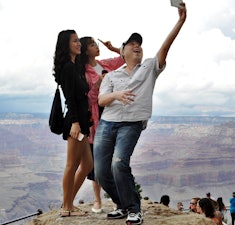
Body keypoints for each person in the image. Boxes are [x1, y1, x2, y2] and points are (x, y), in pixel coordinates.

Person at [93, 2, 187, 224]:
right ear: (123, 51)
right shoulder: (113, 76)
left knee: (118, 163)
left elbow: (166, 46)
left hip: (131, 124)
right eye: (132, 44)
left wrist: (180, 21)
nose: (137, 46)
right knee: (100, 171)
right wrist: (117, 95)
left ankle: (134, 208)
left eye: (140, 45)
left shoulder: (149, 68)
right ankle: (121, 205)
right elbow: (101, 100)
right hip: (107, 123)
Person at [79, 36, 124, 213]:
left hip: (111, 115)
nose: (96, 47)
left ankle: (116, 198)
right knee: (96, 162)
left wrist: (112, 47)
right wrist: (98, 83)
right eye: (92, 44)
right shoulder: (83, 71)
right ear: (85, 50)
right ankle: (97, 200)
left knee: (112, 160)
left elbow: (124, 58)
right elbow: (87, 99)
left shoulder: (104, 64)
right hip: (95, 121)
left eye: (95, 44)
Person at [52, 29, 93, 217]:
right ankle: (67, 207)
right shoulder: (68, 68)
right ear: (66, 44)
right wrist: (75, 123)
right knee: (72, 165)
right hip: (75, 122)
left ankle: (67, 202)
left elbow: (82, 95)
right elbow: (70, 98)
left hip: (83, 121)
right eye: (75, 41)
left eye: (79, 41)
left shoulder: (75, 66)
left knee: (87, 165)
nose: (79, 44)